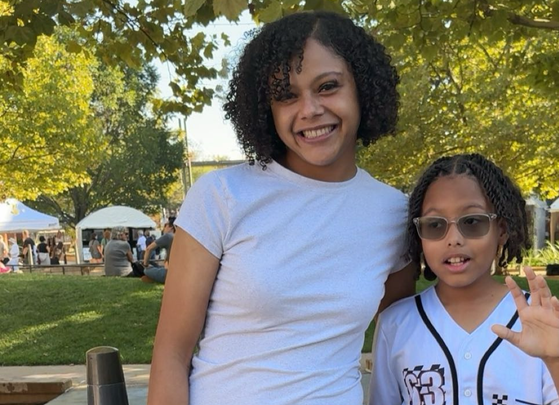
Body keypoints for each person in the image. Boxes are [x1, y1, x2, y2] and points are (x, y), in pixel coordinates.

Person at [147, 11, 415, 405]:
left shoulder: (395, 214)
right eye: (287, 95)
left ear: (363, 88)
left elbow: (400, 344)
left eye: (327, 86)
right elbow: (171, 355)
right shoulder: (222, 195)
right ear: (266, 108)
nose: (309, 109)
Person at [369, 153, 559, 405]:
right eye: (435, 225)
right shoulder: (395, 324)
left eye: (472, 222)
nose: (454, 239)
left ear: (501, 230)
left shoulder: (541, 319)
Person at [142, 218, 176, 284]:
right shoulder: (182, 238)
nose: (164, 228)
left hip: (171, 275)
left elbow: (149, 249)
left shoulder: (168, 236)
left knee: (146, 270)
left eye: (165, 225)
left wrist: (145, 265)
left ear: (171, 227)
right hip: (184, 273)